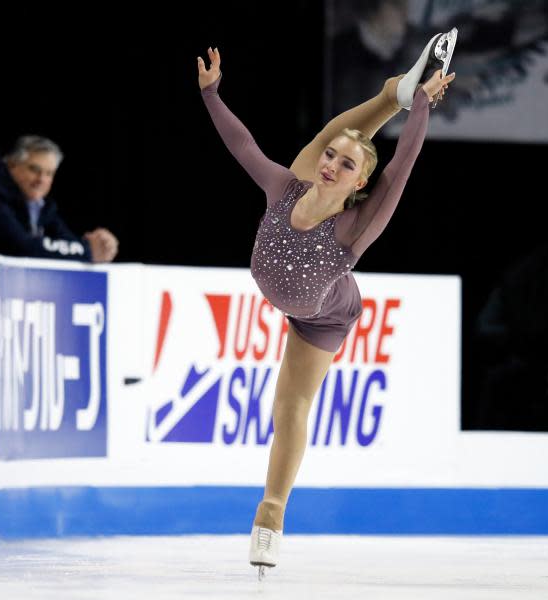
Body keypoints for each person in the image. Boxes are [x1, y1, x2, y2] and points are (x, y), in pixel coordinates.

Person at [197, 30, 456, 575]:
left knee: (288, 408)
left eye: (345, 164)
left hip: (327, 312)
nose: (331, 164)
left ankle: (270, 515)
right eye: (331, 156)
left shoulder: (356, 228)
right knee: (326, 134)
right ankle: (392, 93)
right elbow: (244, 145)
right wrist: (212, 93)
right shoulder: (284, 187)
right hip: (295, 299)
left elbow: (402, 163)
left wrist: (423, 108)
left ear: (360, 182)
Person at [0, 135, 119, 263]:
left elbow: (63, 240)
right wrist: (86, 251)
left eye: (49, 173)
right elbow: (22, 247)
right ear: (12, 164)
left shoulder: (40, 204)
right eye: (34, 169)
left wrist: (98, 247)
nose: (41, 180)